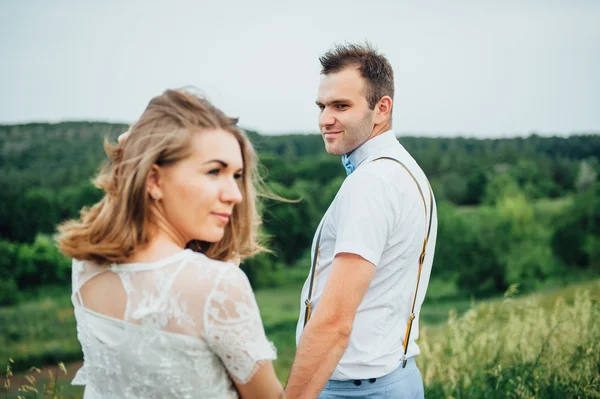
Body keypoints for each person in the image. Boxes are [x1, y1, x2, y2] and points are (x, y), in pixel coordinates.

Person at [56, 88, 285, 399]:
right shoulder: (218, 285)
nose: (236, 195)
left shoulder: (86, 264)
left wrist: (131, 152)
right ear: (154, 180)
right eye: (214, 171)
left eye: (237, 175)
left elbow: (116, 206)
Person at [285, 43, 438, 399]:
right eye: (322, 106)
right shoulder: (404, 170)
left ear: (381, 108)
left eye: (341, 106)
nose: (325, 118)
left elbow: (335, 321)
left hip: (358, 391)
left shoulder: (372, 183)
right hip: (394, 378)